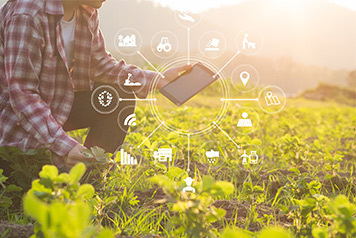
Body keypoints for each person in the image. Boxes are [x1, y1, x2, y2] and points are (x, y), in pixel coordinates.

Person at [0, 0, 190, 172]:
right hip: (14, 123)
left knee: (118, 95)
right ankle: (60, 164)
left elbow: (99, 64)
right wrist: (65, 145)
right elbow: (22, 95)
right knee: (24, 177)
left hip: (54, 107)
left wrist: (157, 79)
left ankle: (90, 174)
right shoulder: (27, 14)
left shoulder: (85, 11)